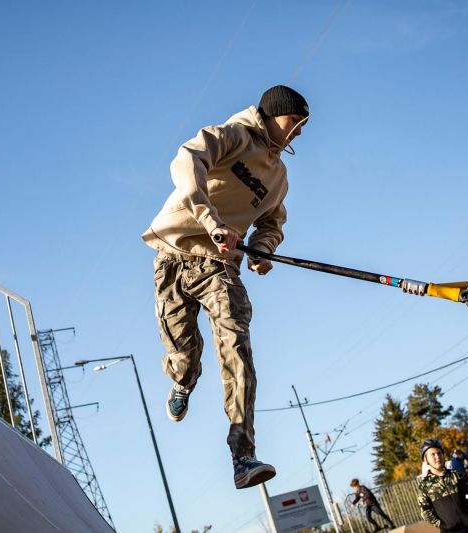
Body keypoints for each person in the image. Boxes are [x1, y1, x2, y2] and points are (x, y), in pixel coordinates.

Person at [142, 85, 309, 489]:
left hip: (219, 268)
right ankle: (182, 381)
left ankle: (242, 453)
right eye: (295, 123)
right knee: (184, 355)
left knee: (237, 345)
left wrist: (262, 250)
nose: (299, 133)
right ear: (272, 116)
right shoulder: (234, 135)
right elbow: (187, 160)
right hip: (173, 252)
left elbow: (272, 222)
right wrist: (210, 218)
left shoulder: (279, 177)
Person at [416, 439, 468, 533]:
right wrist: (442, 525)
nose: (437, 457)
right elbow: (425, 511)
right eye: (433, 454)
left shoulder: (458, 476)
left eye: (439, 453)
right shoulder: (425, 486)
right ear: (426, 459)